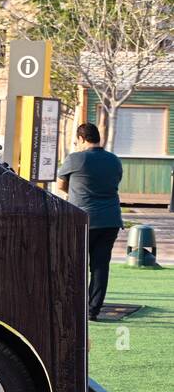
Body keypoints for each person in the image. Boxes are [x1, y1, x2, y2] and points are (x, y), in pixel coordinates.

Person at [57, 122, 124, 321]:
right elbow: (115, 183)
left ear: (81, 139)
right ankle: (93, 310)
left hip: (82, 219)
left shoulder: (75, 159)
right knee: (100, 265)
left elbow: (61, 185)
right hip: (110, 220)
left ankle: (73, 306)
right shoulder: (114, 160)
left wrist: (78, 194)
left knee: (75, 264)